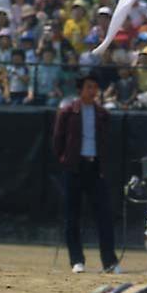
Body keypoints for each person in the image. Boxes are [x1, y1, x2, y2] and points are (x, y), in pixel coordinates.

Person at [52, 73, 120, 274]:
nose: (93, 91)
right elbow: (58, 140)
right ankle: (76, 260)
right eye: (89, 87)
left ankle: (109, 261)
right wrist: (65, 160)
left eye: (95, 87)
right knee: (72, 216)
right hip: (74, 168)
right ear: (80, 90)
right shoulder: (67, 112)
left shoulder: (102, 114)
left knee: (104, 216)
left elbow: (107, 142)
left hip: (95, 168)